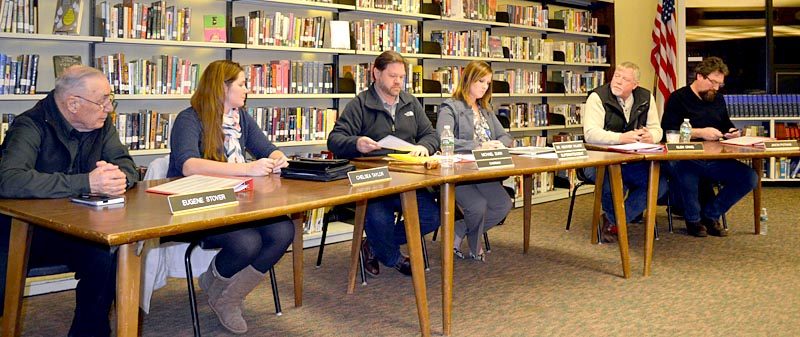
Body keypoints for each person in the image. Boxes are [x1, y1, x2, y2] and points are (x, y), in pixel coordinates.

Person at [0, 65, 138, 337]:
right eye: (103, 100)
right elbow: (9, 180)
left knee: (108, 253)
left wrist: (118, 177)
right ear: (73, 103)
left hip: (76, 227)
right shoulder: (30, 124)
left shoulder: (100, 124)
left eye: (110, 100)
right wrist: (86, 182)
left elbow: (126, 164)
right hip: (24, 231)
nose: (109, 108)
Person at [168, 60, 295, 334]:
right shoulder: (189, 119)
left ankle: (229, 297)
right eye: (241, 84)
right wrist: (245, 169)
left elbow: (266, 148)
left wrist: (277, 158)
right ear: (221, 87)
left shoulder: (241, 118)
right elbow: (188, 165)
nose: (247, 90)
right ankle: (217, 282)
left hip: (241, 203)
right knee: (247, 242)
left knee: (284, 230)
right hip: (201, 205)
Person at [328, 51, 440, 276]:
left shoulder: (410, 102)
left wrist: (424, 147)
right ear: (376, 73)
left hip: (408, 180)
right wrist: (357, 143)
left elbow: (431, 134)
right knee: (379, 218)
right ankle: (393, 257)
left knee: (432, 216)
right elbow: (335, 140)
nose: (398, 81)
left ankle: (374, 245)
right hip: (374, 182)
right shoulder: (361, 103)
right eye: (392, 76)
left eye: (402, 76)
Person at [661, 56, 757, 237]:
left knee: (749, 177)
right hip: (686, 157)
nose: (715, 88)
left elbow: (725, 124)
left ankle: (710, 214)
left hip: (714, 158)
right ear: (699, 76)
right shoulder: (678, 98)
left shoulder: (718, 99)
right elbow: (668, 131)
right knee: (687, 170)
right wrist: (699, 133)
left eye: (719, 84)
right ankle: (693, 220)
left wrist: (731, 132)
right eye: (713, 82)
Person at [436, 60, 512, 261]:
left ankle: (460, 230)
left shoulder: (485, 109)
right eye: (481, 81)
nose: (484, 87)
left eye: (488, 83)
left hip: (484, 171)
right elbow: (444, 139)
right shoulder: (450, 107)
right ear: (468, 79)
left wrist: (498, 144)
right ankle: (473, 239)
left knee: (502, 205)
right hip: (460, 173)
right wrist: (478, 145)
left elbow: (505, 136)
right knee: (477, 206)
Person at [582, 61, 666, 242]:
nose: (618, 81)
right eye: (616, 76)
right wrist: (621, 138)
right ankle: (619, 219)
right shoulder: (597, 97)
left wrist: (650, 136)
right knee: (611, 181)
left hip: (633, 160)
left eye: (625, 79)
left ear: (635, 85)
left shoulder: (645, 97)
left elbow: (657, 129)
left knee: (660, 184)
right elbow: (590, 134)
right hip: (599, 160)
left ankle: (613, 220)